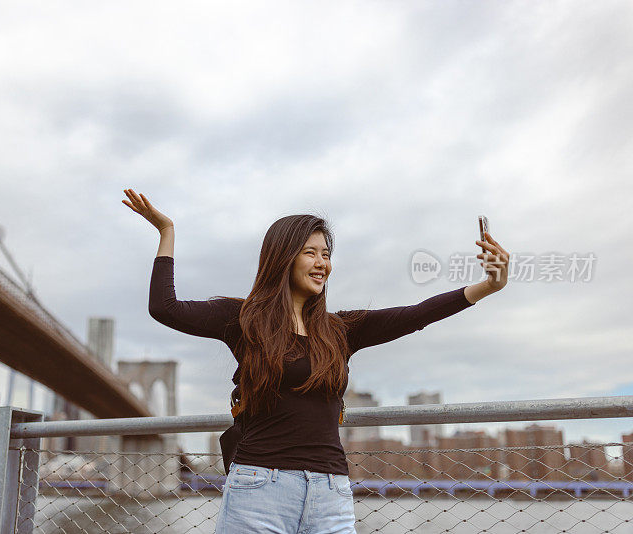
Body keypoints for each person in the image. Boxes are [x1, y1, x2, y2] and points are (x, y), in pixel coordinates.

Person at [122, 188, 509, 534]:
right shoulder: (243, 320)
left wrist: (487, 287)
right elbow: (165, 307)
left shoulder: (340, 330)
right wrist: (166, 232)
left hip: (331, 493)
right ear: (283, 258)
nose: (322, 262)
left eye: (327, 254)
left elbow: (415, 314)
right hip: (259, 489)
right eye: (310, 252)